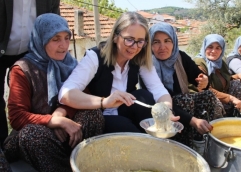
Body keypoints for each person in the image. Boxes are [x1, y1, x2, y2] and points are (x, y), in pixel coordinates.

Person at [3, 14, 105, 172]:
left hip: (65, 132)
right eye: (55, 39)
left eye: (66, 38)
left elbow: (83, 95)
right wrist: (54, 121)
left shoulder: (69, 63)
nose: (64, 45)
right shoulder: (22, 69)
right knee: (33, 134)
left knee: (93, 114)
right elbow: (17, 117)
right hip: (31, 136)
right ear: (41, 39)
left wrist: (62, 113)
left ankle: (83, 164)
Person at [59, 12, 176, 134]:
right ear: (115, 37)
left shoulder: (139, 58)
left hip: (123, 110)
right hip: (99, 114)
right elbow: (65, 94)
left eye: (140, 41)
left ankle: (153, 140)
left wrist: (167, 111)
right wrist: (104, 102)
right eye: (129, 39)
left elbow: (158, 89)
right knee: (129, 131)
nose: (134, 47)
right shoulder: (95, 57)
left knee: (144, 96)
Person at [148, 22, 221, 148]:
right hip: (161, 109)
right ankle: (183, 145)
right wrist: (192, 120)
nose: (162, 47)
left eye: (167, 41)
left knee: (207, 95)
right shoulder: (147, 64)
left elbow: (198, 77)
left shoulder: (180, 57)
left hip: (185, 105)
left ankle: (199, 138)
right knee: (184, 100)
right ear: (150, 44)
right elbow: (154, 100)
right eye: (156, 42)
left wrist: (204, 81)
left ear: (174, 42)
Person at [0, 0, 60, 150]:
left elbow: (54, 24)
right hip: (2, 47)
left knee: (34, 101)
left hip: (31, 52)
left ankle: (22, 144)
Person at [194, 34, 241, 116]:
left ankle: (230, 112)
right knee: (214, 101)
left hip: (221, 95)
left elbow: (224, 79)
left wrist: (237, 76)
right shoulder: (199, 63)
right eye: (210, 47)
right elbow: (205, 89)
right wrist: (231, 98)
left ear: (222, 49)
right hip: (205, 99)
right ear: (205, 47)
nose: (213, 51)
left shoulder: (220, 62)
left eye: (218, 48)